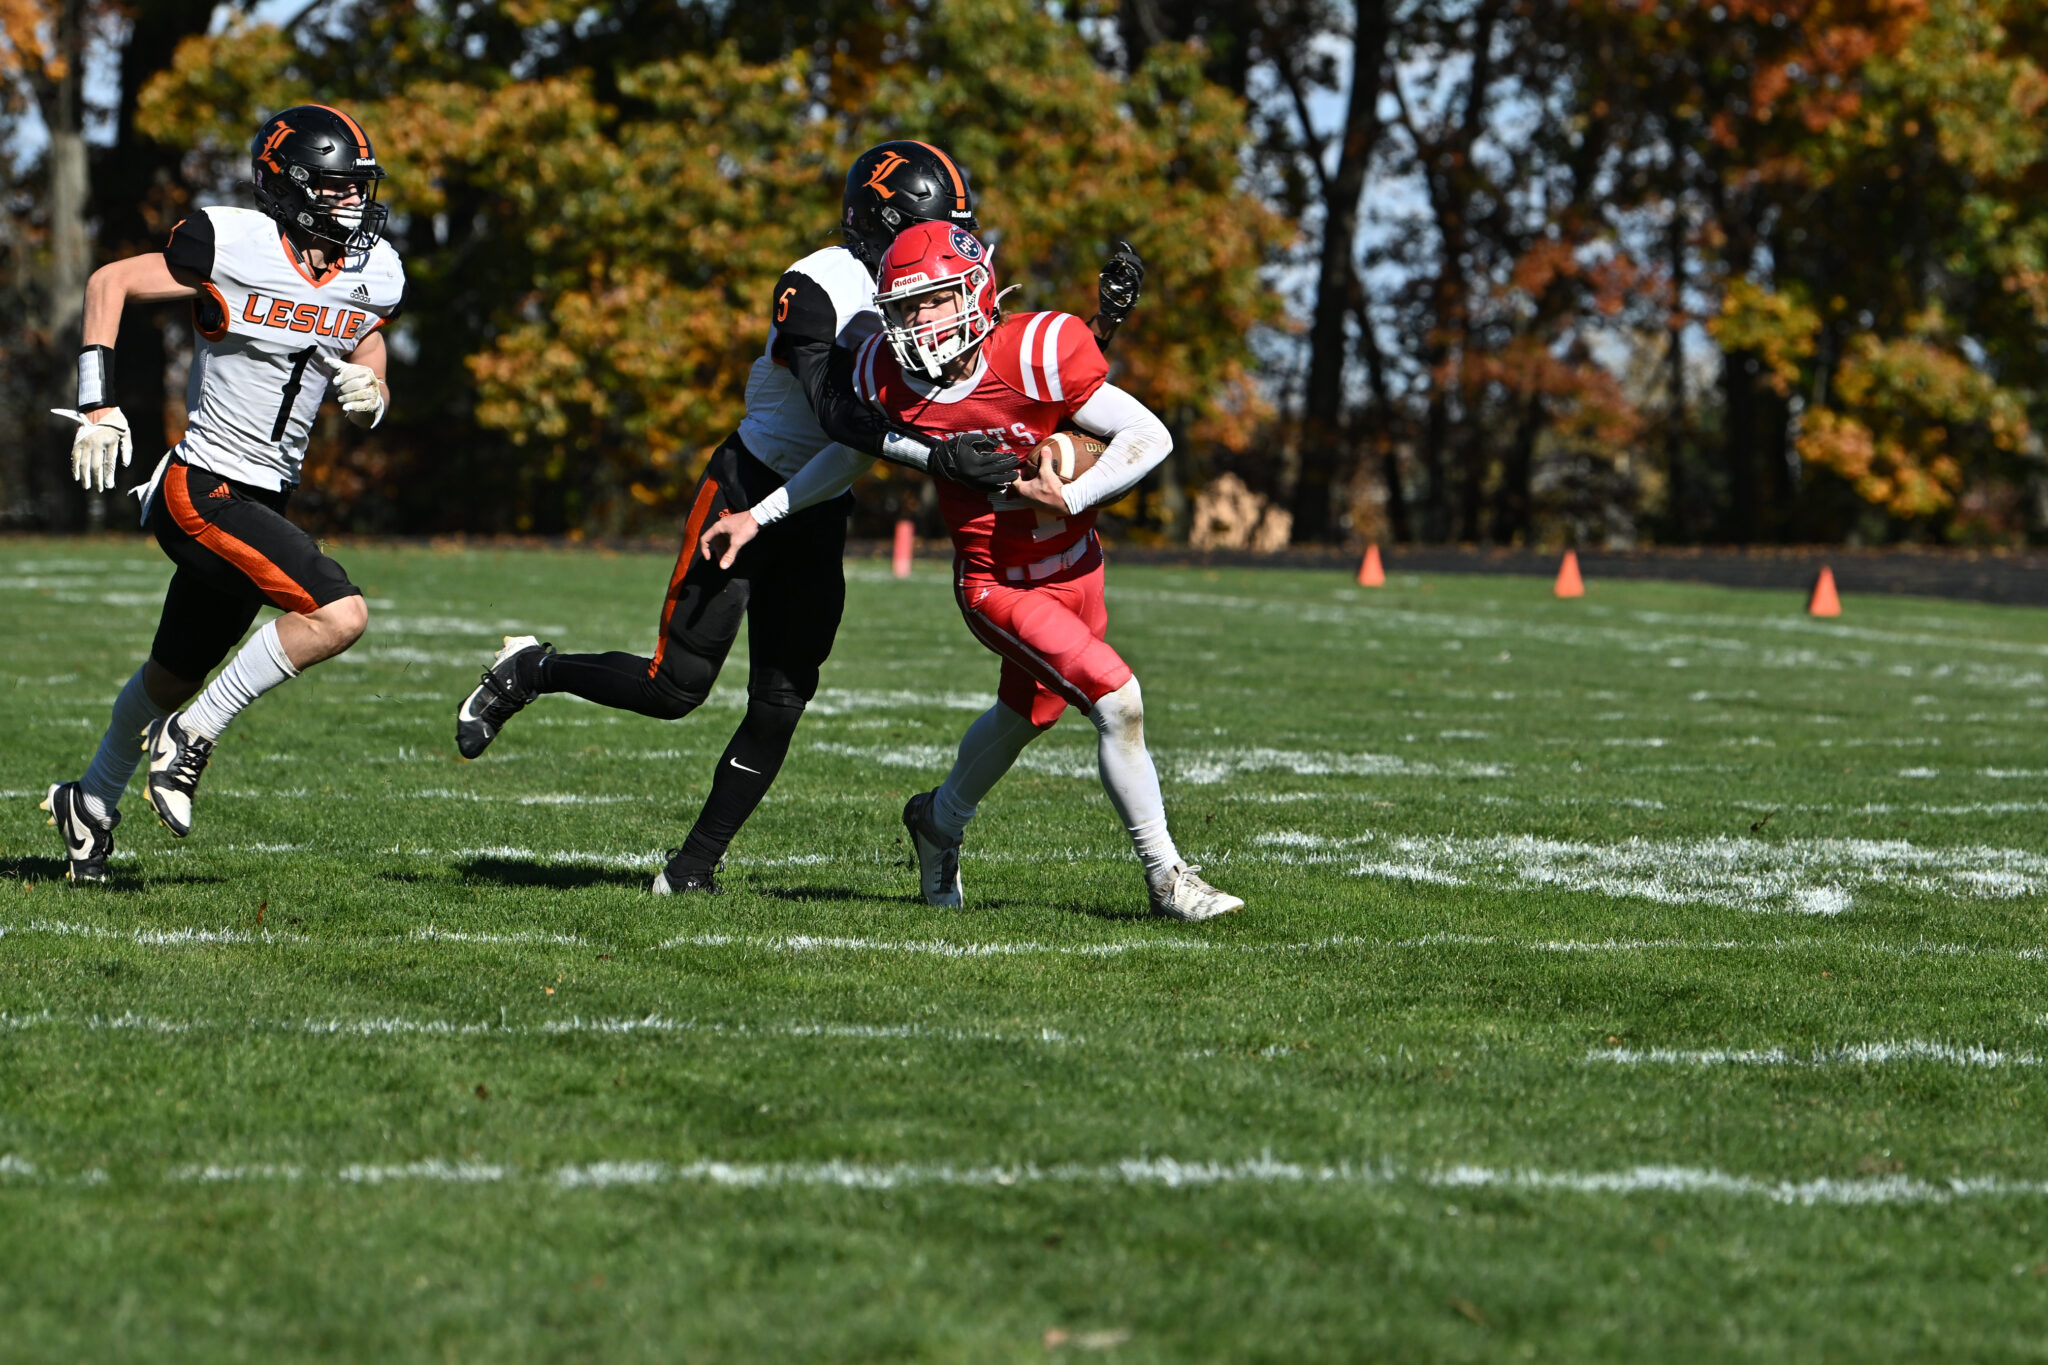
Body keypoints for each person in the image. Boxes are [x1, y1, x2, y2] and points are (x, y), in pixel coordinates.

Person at [455, 141, 1143, 897]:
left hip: (820, 505)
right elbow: (839, 413)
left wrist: (1097, 335)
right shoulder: (819, 286)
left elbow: (995, 374)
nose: (950, 250)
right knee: (674, 687)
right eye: (939, 226)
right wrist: (939, 458)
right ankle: (531, 667)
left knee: (782, 700)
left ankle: (690, 872)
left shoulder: (926, 291)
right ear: (887, 223)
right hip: (750, 488)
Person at [704, 221, 1237, 921]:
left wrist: (1073, 491)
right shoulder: (886, 375)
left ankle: (938, 819)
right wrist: (759, 514)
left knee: (1030, 712)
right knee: (1119, 699)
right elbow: (855, 453)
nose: (916, 321)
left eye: (933, 300)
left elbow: (1147, 433)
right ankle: (1169, 877)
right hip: (998, 581)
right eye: (903, 306)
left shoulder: (1039, 349)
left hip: (1078, 565)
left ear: (976, 292)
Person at [41, 104, 403, 883]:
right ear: (294, 185)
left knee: (170, 673)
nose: (356, 205)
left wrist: (374, 376)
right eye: (341, 189)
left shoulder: (374, 268)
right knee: (339, 613)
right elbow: (110, 282)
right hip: (201, 485)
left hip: (264, 499)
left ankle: (90, 802)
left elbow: (364, 325)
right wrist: (100, 400)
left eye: (358, 189)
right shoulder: (229, 242)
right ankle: (191, 737)